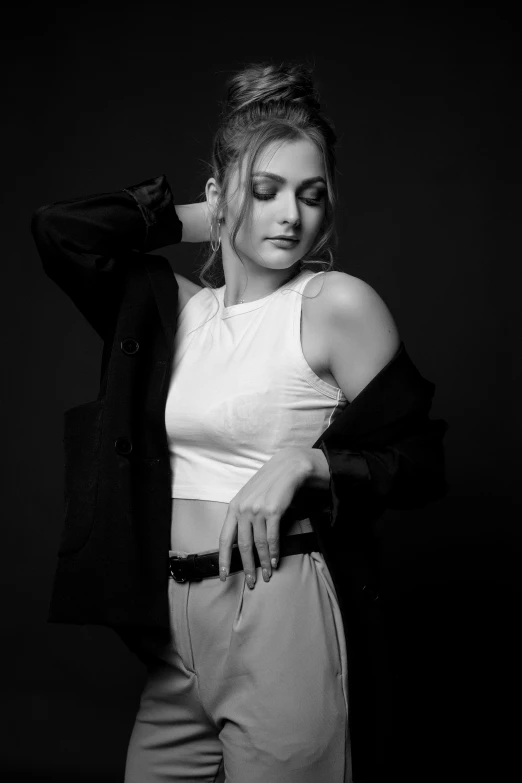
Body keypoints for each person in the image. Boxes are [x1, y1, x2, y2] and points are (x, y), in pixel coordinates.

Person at [31, 61, 448, 783]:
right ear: (222, 196)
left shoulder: (331, 304)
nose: (292, 215)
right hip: (172, 630)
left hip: (278, 607)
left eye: (311, 195)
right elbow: (61, 231)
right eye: (266, 191)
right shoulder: (176, 310)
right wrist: (207, 213)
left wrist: (307, 464)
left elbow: (419, 457)